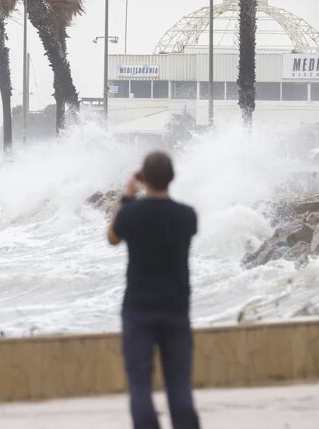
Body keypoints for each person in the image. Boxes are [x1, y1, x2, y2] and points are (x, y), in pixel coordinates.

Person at [107, 151, 200, 429]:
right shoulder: (187, 216)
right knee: (179, 385)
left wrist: (128, 194)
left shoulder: (132, 214)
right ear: (172, 177)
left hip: (138, 309)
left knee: (140, 386)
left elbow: (112, 237)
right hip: (176, 309)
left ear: (144, 178)